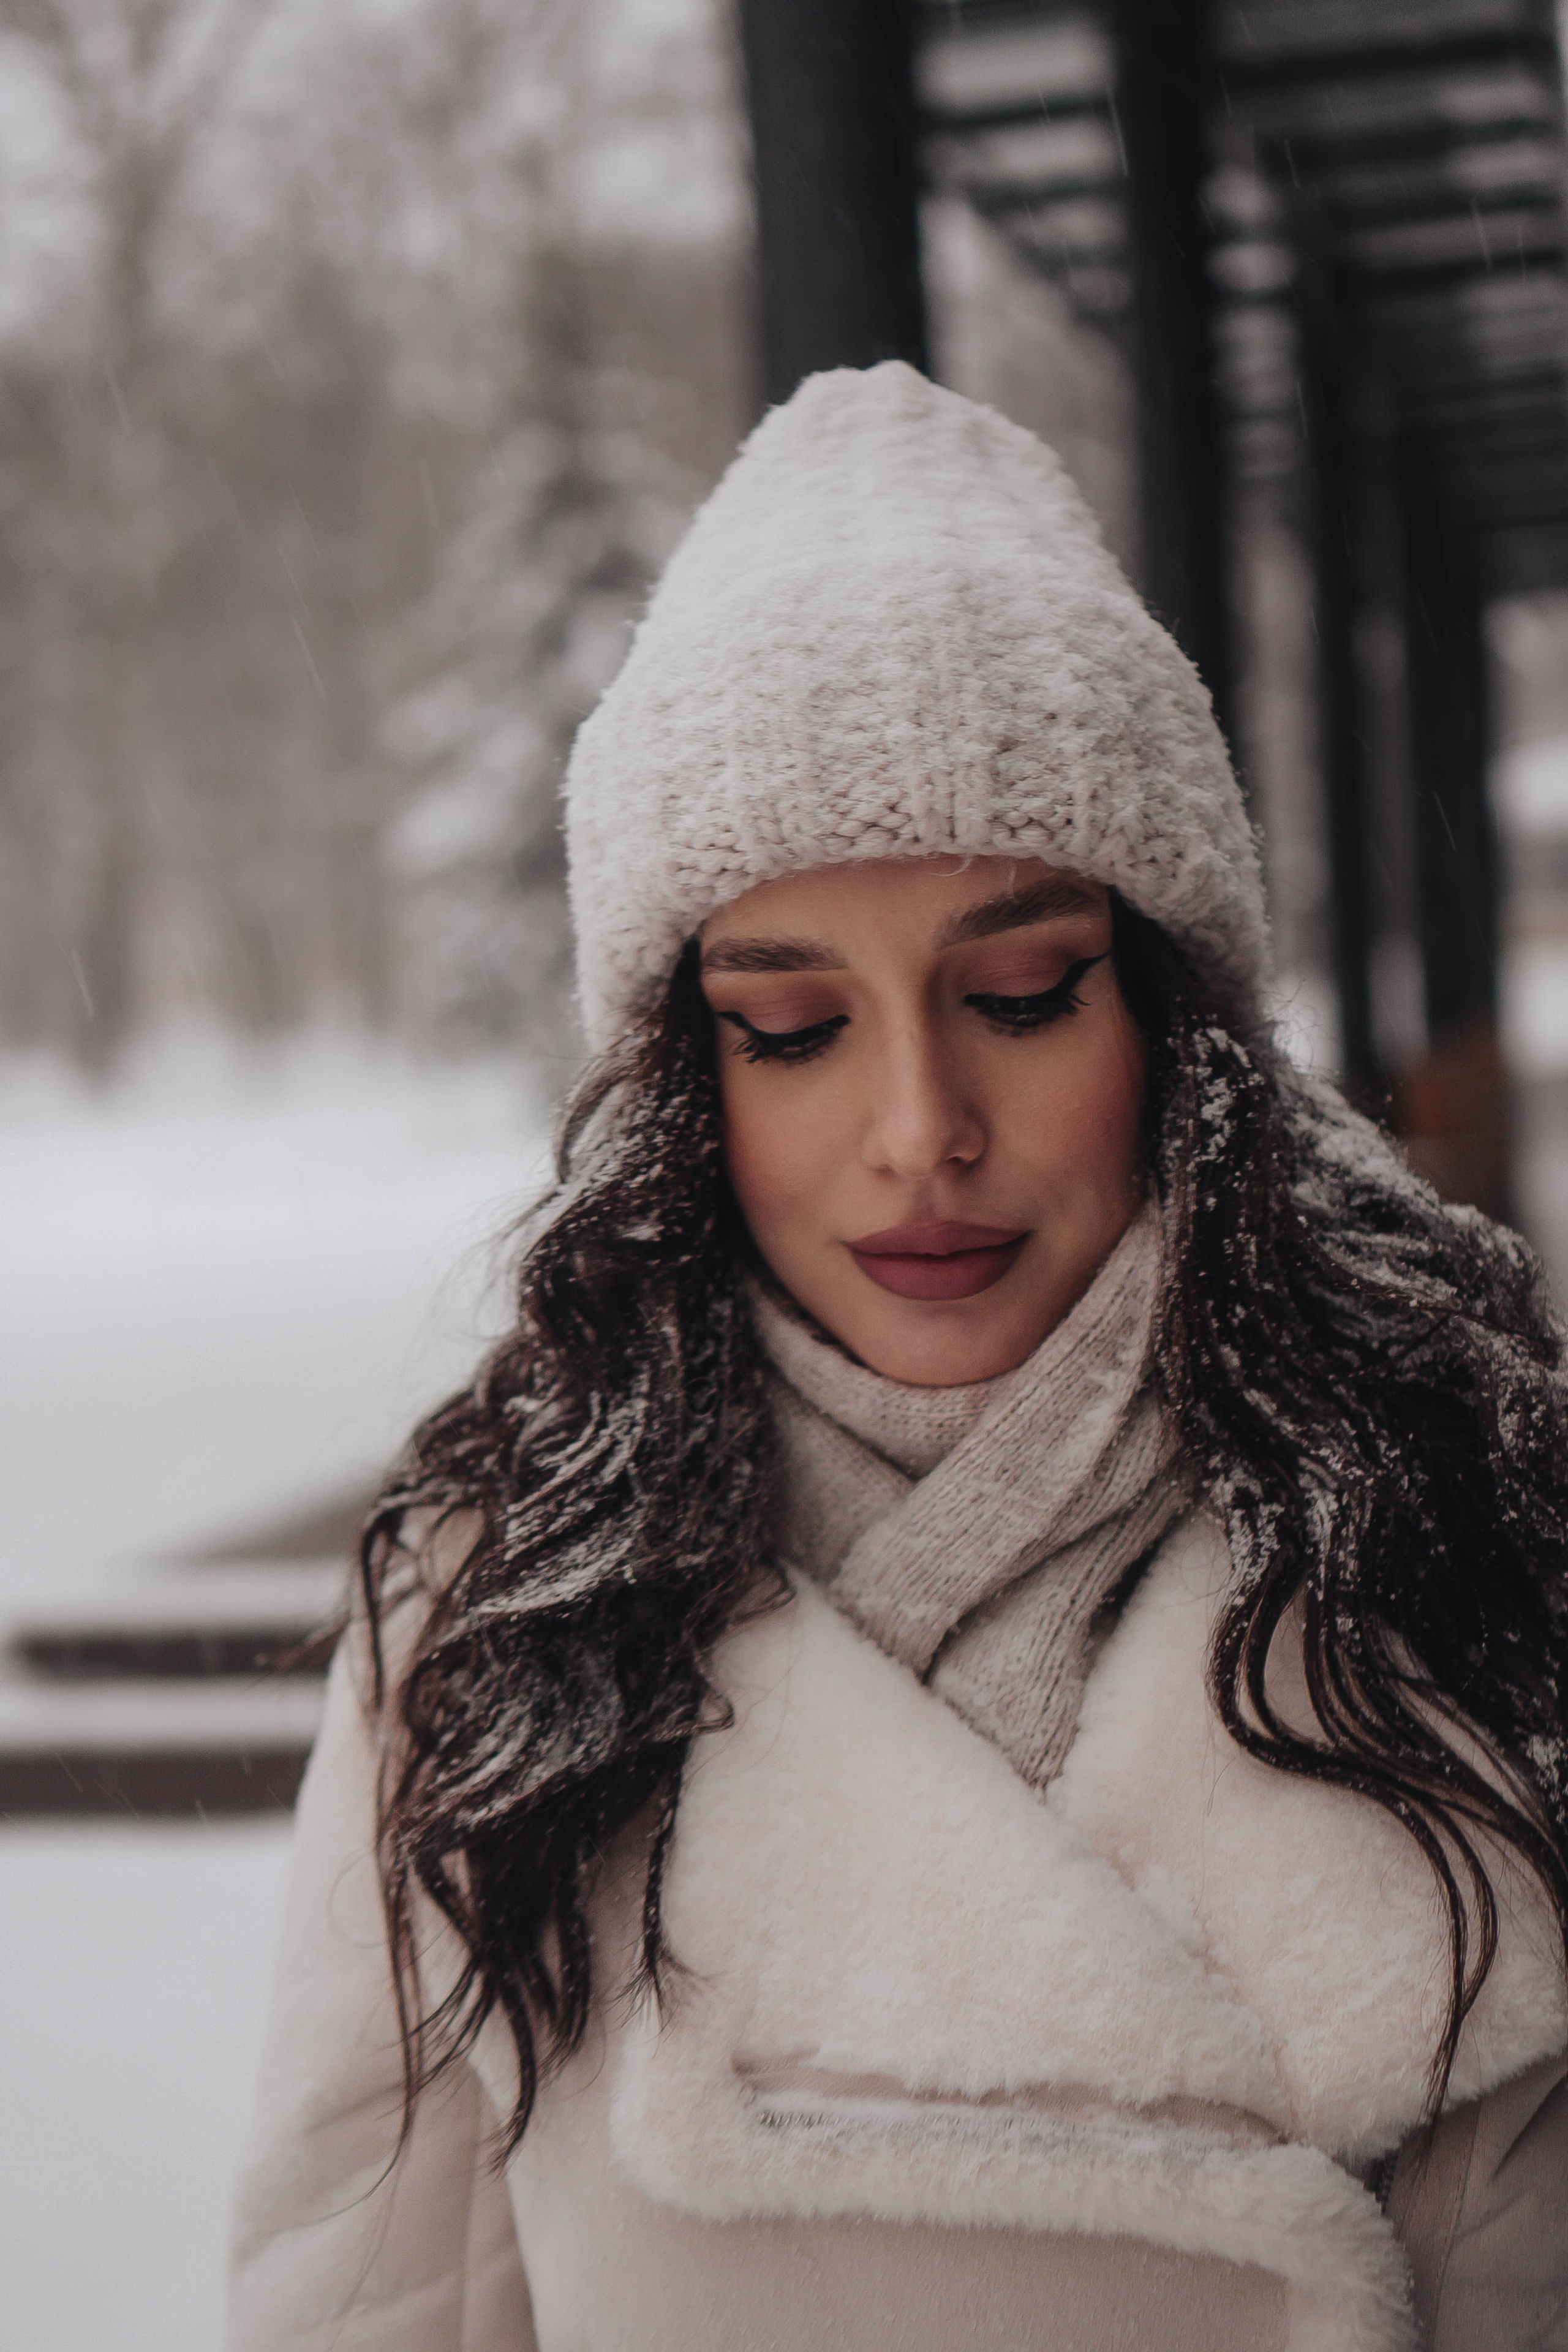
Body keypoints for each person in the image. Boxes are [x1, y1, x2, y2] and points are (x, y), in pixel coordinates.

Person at [228, 364, 1568, 2352]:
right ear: (689, 1083)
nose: (918, 1125)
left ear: (1174, 1029)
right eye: (792, 1025)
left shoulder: (1470, 1537)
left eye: (1020, 994)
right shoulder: (495, 1633)